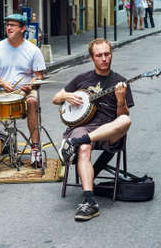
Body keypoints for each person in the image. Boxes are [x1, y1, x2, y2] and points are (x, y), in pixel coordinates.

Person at [52, 38, 134, 222]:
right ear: (92, 58)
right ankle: (90, 201)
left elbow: (122, 115)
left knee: (125, 120)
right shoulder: (82, 79)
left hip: (109, 130)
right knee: (84, 147)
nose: (104, 58)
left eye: (107, 54)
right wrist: (67, 95)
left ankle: (75, 143)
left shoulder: (121, 81)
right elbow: (56, 98)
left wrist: (120, 100)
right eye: (99, 55)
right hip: (82, 126)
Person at [0, 14, 46, 167]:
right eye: (7, 25)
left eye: (13, 25)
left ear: (23, 28)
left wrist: (31, 85)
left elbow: (39, 76)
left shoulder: (33, 50)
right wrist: (2, 82)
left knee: (32, 102)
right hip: (0, 89)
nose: (9, 28)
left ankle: (35, 150)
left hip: (23, 91)